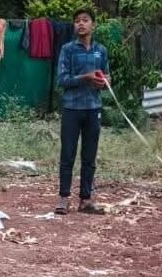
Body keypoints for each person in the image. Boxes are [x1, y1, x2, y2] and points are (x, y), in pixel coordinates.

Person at [55, 9, 109, 215]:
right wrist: (85, 78)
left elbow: (107, 76)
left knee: (89, 157)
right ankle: (63, 198)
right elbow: (62, 80)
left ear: (93, 24)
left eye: (85, 20)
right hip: (71, 108)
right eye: (77, 21)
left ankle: (86, 200)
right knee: (67, 154)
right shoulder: (67, 49)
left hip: (93, 108)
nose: (80, 24)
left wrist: (104, 81)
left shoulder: (100, 50)